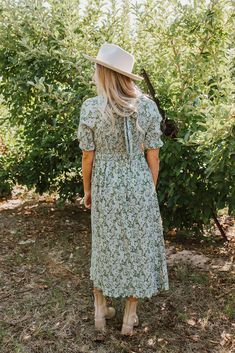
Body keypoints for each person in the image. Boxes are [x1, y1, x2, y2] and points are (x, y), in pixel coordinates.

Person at [77, 43, 169, 336]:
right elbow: (153, 155)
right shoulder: (147, 108)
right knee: (137, 246)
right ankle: (130, 317)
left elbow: (87, 156)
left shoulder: (91, 107)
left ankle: (100, 311)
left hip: (105, 183)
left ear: (103, 72)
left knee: (104, 243)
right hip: (138, 182)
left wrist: (88, 190)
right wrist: (149, 188)